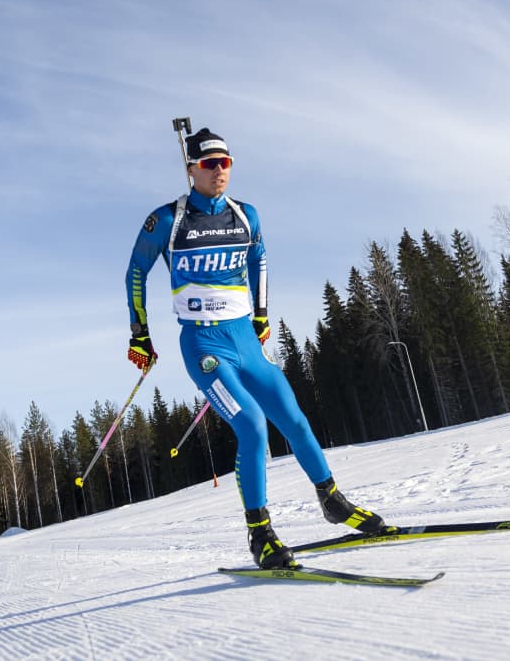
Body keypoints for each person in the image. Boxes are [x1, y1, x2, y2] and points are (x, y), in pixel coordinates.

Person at [124, 127, 390, 568]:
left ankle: (332, 501)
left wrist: (263, 315)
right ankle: (260, 535)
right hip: (205, 345)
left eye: (225, 162)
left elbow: (259, 260)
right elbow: (136, 271)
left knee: (295, 419)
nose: (219, 171)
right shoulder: (168, 221)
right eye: (210, 164)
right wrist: (140, 333)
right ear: (191, 169)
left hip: (245, 338)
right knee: (251, 426)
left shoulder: (246, 215)